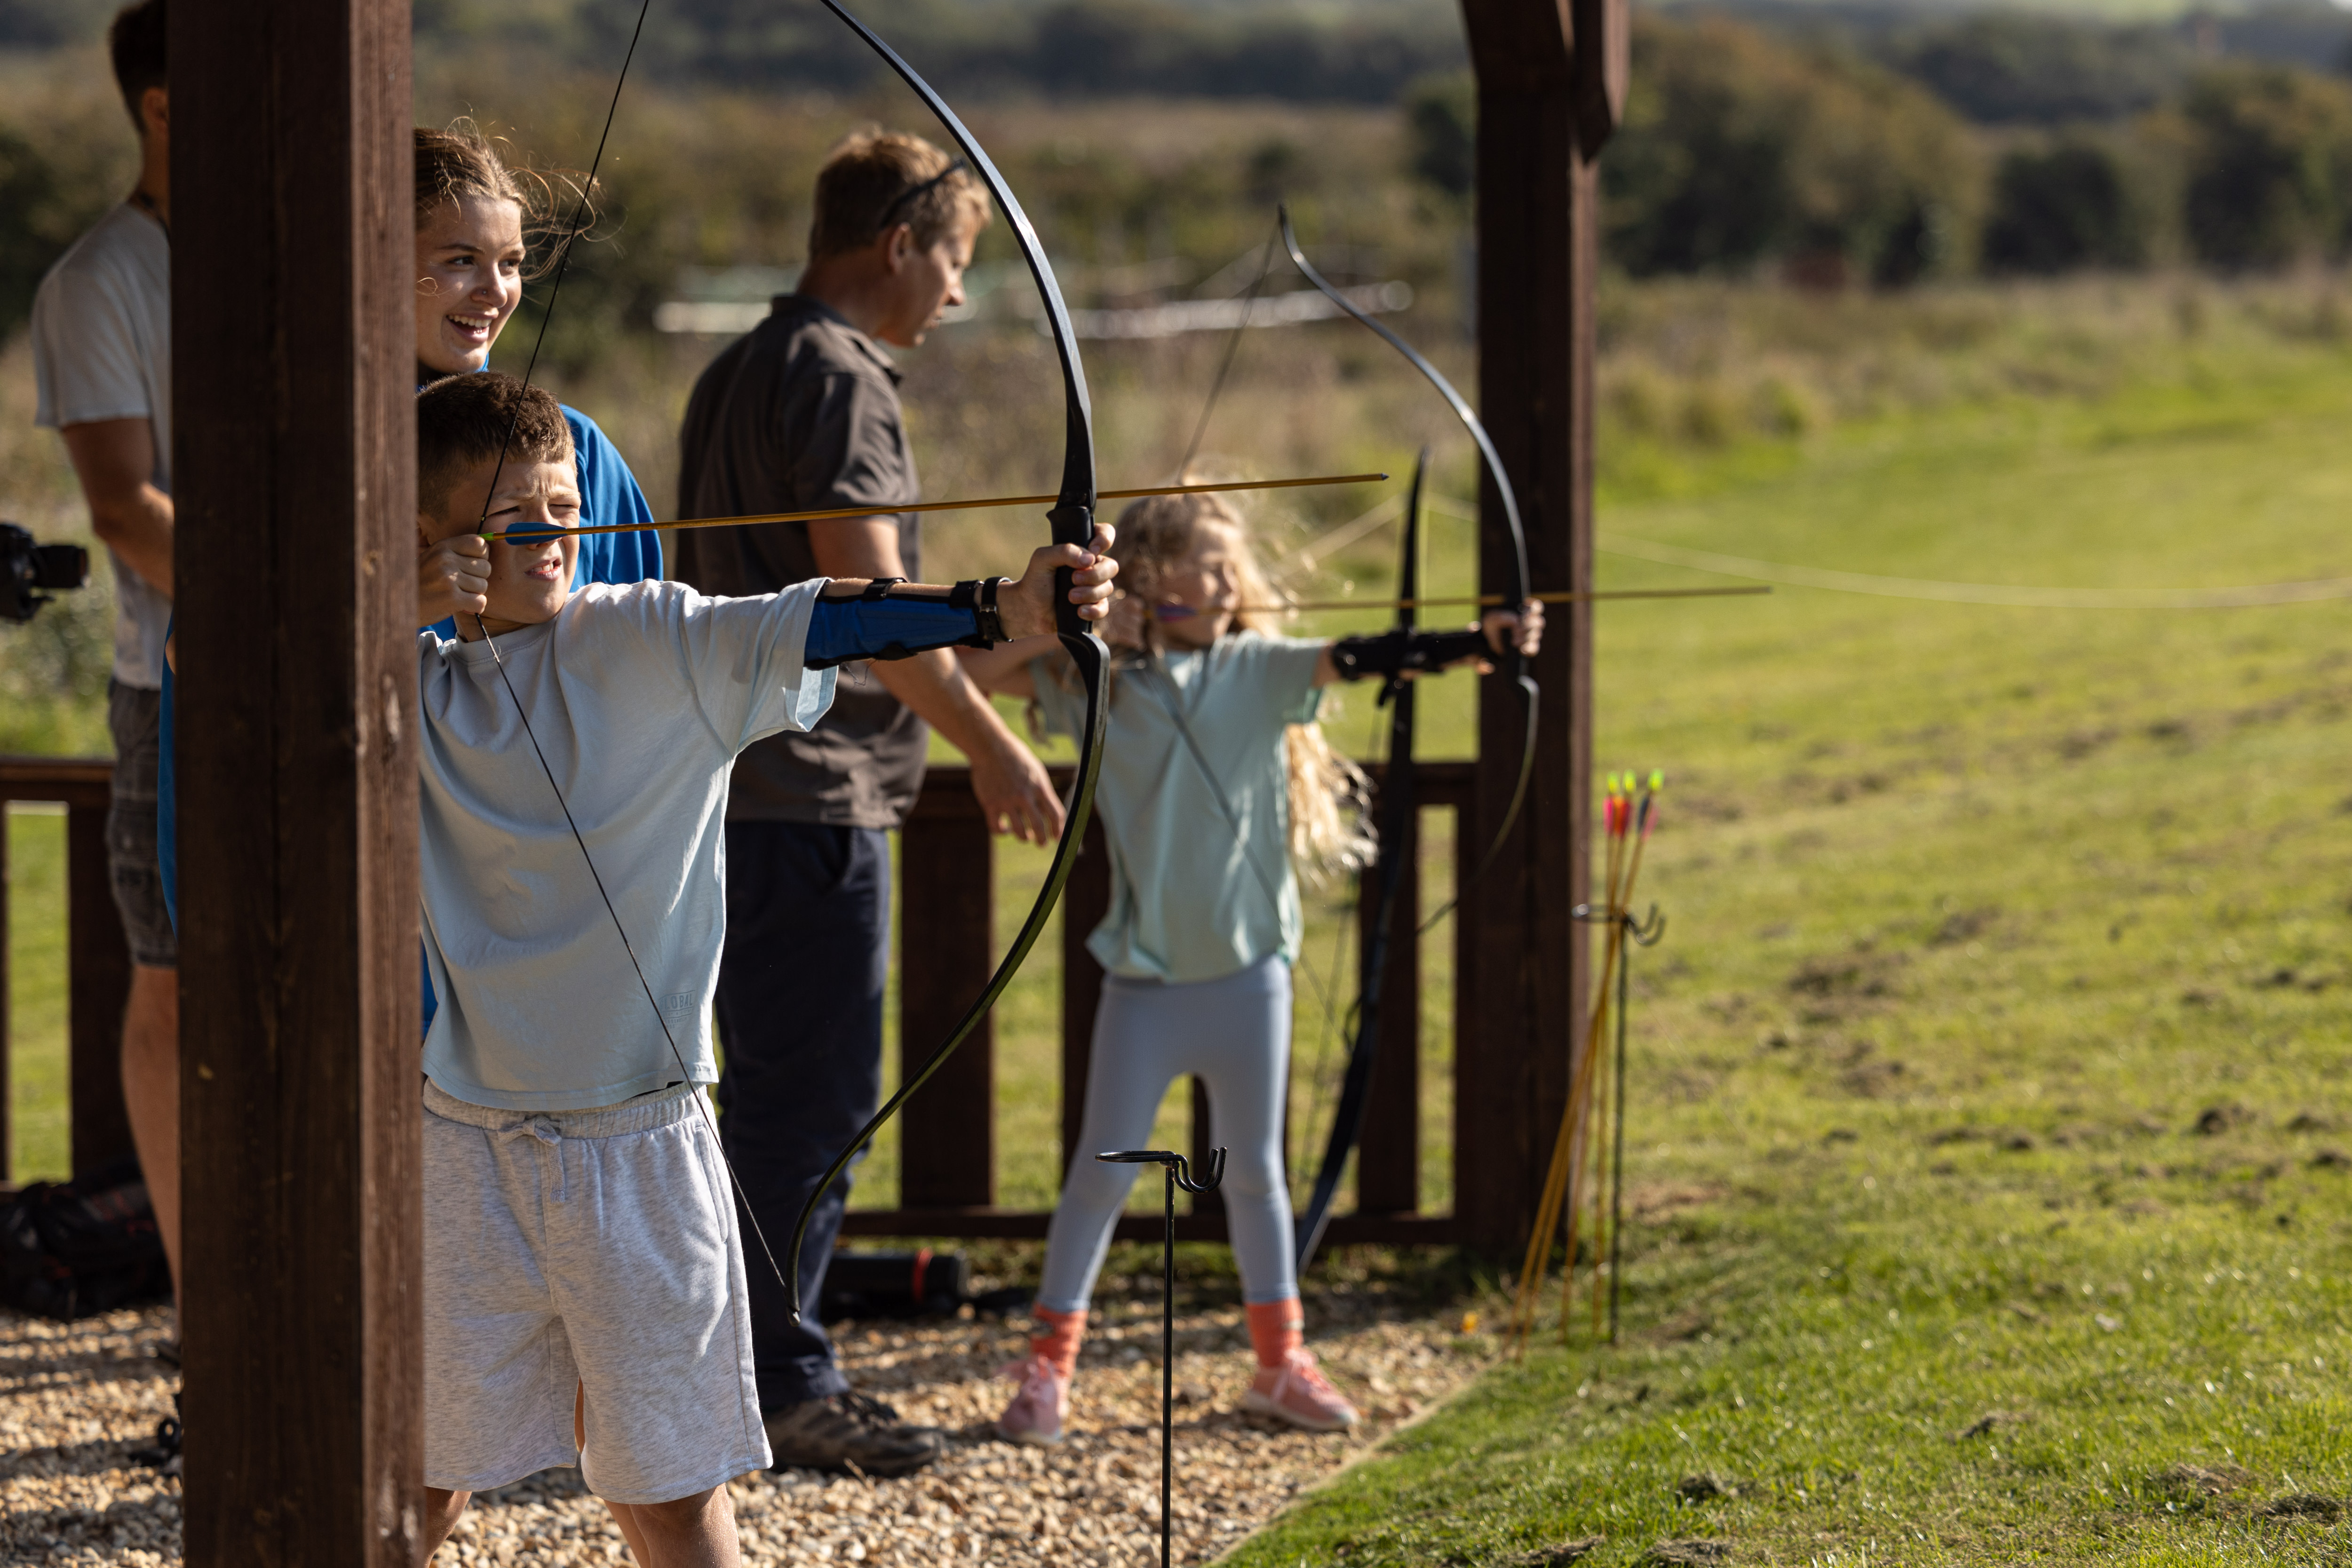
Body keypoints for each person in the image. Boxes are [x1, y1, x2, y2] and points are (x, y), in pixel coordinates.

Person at [409, 371, 1117, 1562]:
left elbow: (820, 615)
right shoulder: (399, 681)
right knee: (417, 1482)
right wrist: (387, 596)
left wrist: (1001, 604)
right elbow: (210, 668)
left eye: (567, 505)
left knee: (670, 1494)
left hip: (635, 1145)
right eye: (516, 517)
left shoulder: (648, 635)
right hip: (464, 1144)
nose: (557, 537)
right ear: (438, 544)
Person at [959, 490, 1540, 1445]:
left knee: (1256, 1174)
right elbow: (969, 675)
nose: (1228, 584)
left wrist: (1484, 641)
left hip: (1246, 979)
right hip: (1144, 986)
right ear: (1147, 579)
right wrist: (1080, 625)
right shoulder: (1093, 678)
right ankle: (1044, 1371)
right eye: (1207, 565)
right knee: (1101, 1175)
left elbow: (1365, 656)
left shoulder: (1255, 671)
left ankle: (1279, 1362)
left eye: (1232, 568)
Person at [673, 129, 1066, 1474]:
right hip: (811, 795)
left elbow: (833, 617)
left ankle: (728, 1367)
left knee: (772, 1095)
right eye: (955, 256)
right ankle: (780, 1382)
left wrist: (1035, 635)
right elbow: (865, 618)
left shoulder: (743, 366)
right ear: (898, 242)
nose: (957, 292)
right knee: (812, 1101)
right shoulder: (841, 377)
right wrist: (997, 752)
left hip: (737, 783)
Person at [30, 0, 181, 1304]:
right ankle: (211, 1307)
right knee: (178, 988)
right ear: (164, 109)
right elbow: (129, 513)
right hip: (178, 691)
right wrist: (326, 597)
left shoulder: (310, 250)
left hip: (364, 678)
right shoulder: (98, 282)